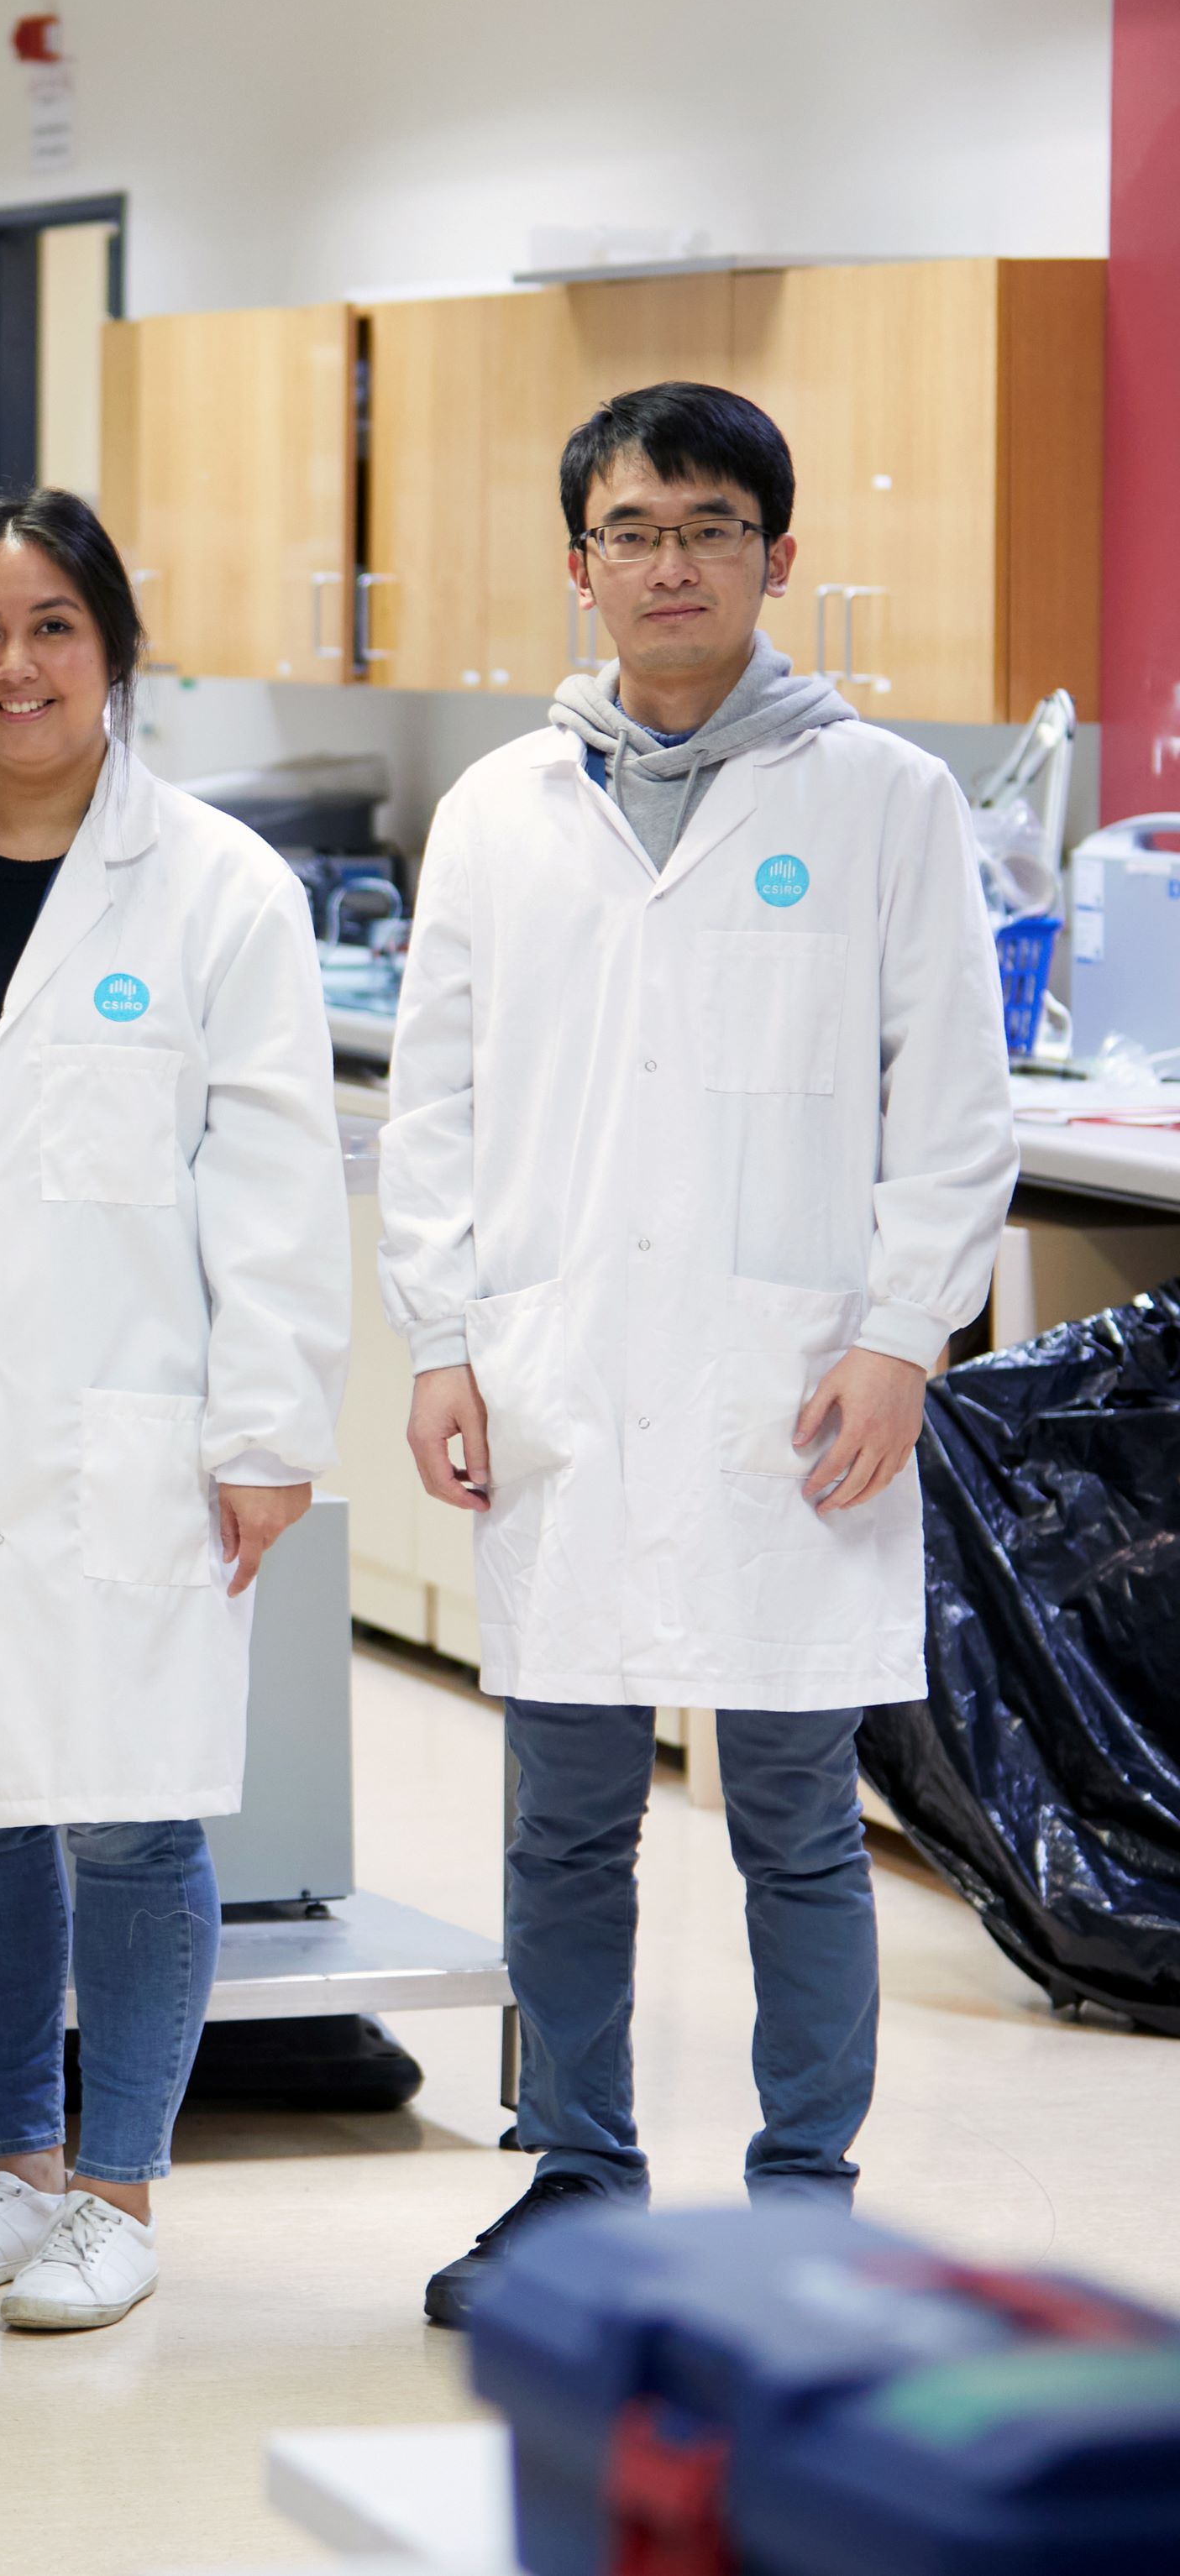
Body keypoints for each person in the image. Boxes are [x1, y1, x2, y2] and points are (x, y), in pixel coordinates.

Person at [383, 384, 1018, 2326]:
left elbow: (958, 1105)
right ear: (579, 564)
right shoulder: (500, 808)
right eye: (637, 529)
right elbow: (436, 1100)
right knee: (562, 1816)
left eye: (712, 528)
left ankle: (800, 2203)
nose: (673, 563)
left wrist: (905, 1333)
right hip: (563, 1378)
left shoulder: (884, 799)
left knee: (795, 1824)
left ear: (778, 559)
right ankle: (575, 2176)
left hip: (790, 1392)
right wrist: (441, 1334)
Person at [0, 490, 349, 2332]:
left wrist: (266, 1431)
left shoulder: (214, 888)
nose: (14, 666)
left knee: (127, 1814)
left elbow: (274, 1180)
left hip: (139, 1426)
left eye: (51, 627)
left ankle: (117, 2185)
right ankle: (11, 2162)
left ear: (113, 646)